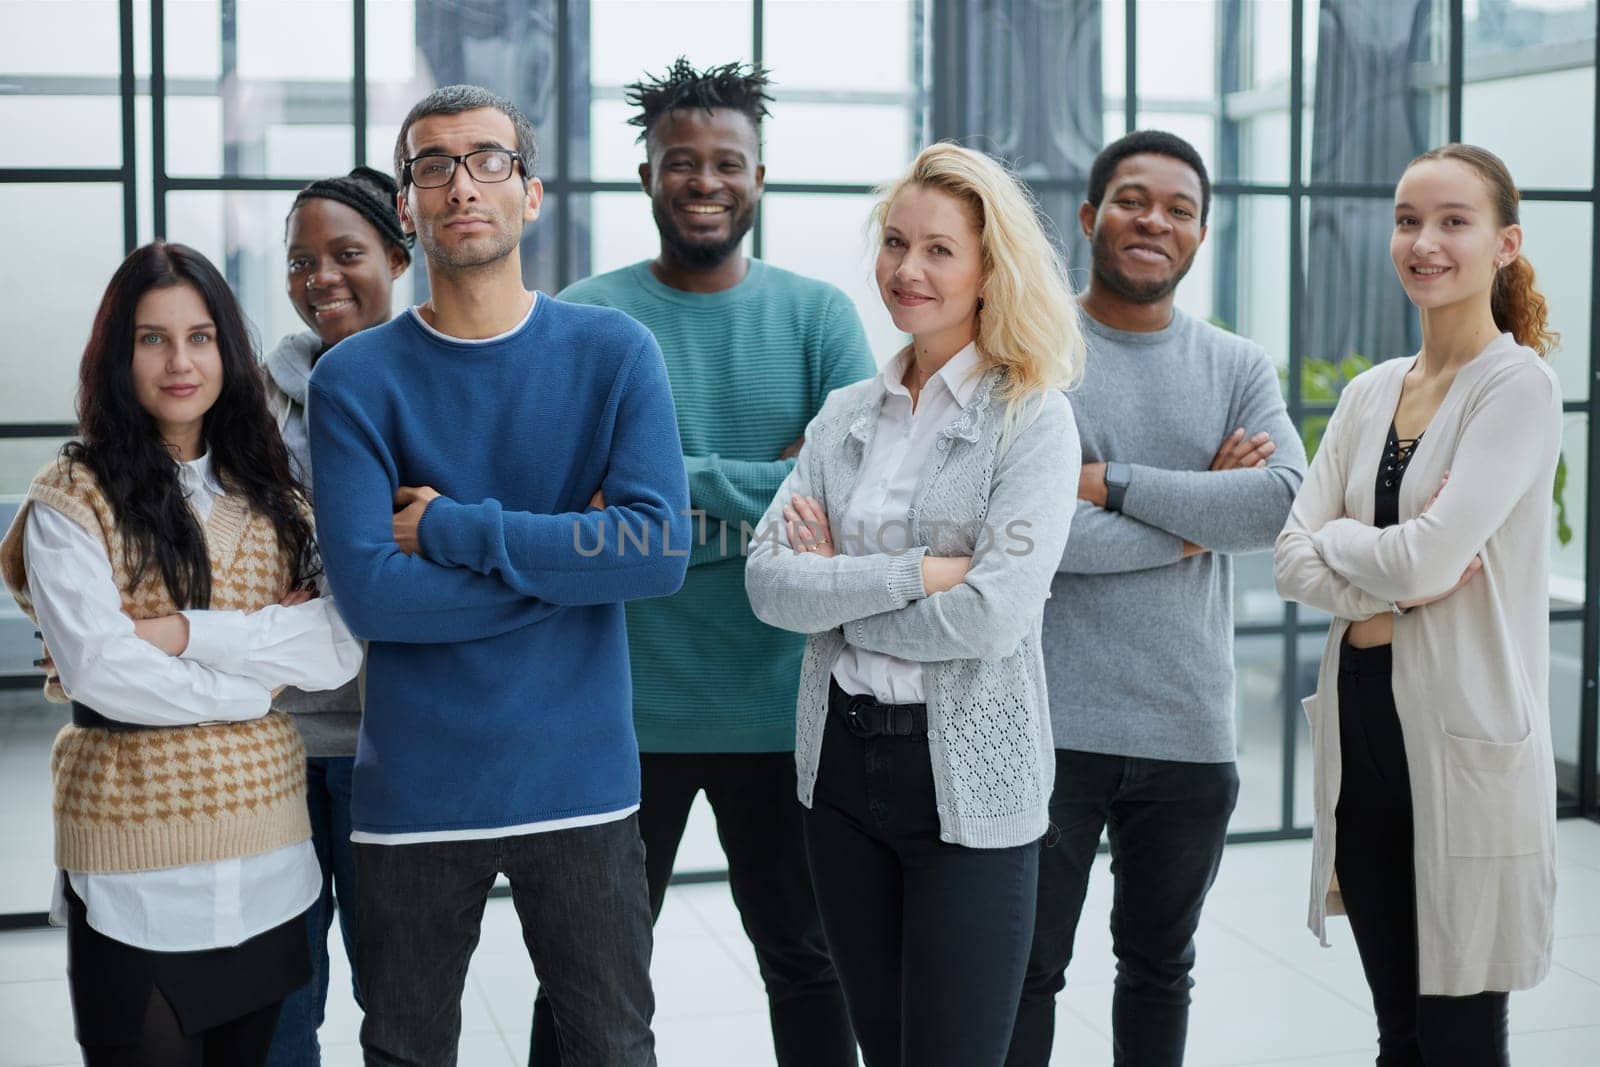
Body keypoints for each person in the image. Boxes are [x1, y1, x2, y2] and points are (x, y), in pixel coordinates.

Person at [305, 84, 689, 1067]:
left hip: (583, 782)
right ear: (407, 205)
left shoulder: (613, 354)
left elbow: (656, 553)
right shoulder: (352, 380)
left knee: (609, 1045)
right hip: (415, 790)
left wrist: (450, 527)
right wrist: (571, 559)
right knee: (403, 1047)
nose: (460, 184)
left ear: (531, 193)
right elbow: (372, 599)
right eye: (432, 165)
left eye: (487, 160)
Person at [531, 57, 872, 1067]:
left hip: (783, 703)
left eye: (728, 162)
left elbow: (848, 492)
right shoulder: (587, 317)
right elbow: (562, 492)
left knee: (806, 959)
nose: (705, 181)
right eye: (683, 162)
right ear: (647, 176)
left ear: (759, 177)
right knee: (589, 966)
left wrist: (657, 485)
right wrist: (766, 487)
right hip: (622, 712)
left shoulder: (818, 318)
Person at [744, 142, 1085, 1067]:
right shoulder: (845, 412)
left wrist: (840, 590)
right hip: (841, 768)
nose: (908, 269)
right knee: (883, 1046)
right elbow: (769, 583)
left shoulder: (1034, 417)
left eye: (939, 249)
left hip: (972, 777)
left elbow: (994, 614)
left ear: (987, 269)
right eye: (896, 243)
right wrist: (917, 572)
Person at [0, 241, 362, 1066]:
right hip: (135, 862)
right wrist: (251, 681)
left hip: (268, 854)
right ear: (116, 353)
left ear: (228, 351)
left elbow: (337, 644)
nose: (179, 361)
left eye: (200, 337)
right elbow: (101, 671)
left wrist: (181, 633)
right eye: (152, 338)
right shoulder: (71, 496)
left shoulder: (274, 492)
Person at [1007, 130, 1306, 1067]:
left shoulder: (1238, 365)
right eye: (1134, 201)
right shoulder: (1034, 354)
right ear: (1092, 219)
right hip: (1049, 721)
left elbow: (1279, 502)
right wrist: (1194, 517)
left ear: (1200, 235)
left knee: (1159, 969)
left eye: (1180, 209)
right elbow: (1030, 535)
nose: (1156, 221)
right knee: (1026, 971)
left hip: (1189, 727)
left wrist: (1110, 479)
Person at [1274, 143, 1560, 1065]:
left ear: (1504, 243)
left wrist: (1356, 551)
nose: (1424, 242)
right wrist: (1390, 571)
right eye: (1408, 220)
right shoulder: (1367, 392)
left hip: (1465, 738)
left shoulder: (1517, 385)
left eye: (1452, 221)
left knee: (1460, 1032)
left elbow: (1430, 552)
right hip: (1363, 737)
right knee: (1398, 1025)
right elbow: (1288, 556)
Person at [263, 165, 412, 1067]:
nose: (321, 277)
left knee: (398, 988)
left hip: (392, 736)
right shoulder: (255, 396)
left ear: (398, 256)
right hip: (277, 737)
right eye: (300, 260)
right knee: (283, 989)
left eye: (346, 254)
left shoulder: (435, 377)